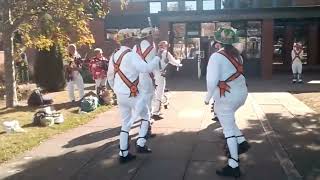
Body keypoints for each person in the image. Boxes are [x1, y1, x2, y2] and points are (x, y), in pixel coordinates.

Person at [107, 28, 161, 164]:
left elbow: (110, 77)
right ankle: (141, 144)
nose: (135, 41)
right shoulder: (131, 55)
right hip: (133, 95)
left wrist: (116, 89)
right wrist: (156, 58)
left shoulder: (114, 55)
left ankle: (123, 153)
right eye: (133, 39)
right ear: (129, 40)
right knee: (146, 116)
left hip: (120, 95)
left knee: (126, 123)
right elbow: (146, 69)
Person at [204, 27, 250, 178]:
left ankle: (233, 165)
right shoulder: (238, 56)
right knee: (227, 119)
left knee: (227, 129)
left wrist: (207, 97)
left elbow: (211, 82)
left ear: (219, 41)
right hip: (241, 95)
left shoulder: (216, 57)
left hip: (226, 97)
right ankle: (242, 141)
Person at [132, 27, 159, 137]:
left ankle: (142, 125)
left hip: (137, 78)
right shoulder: (152, 48)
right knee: (148, 103)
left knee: (140, 101)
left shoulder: (135, 47)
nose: (154, 36)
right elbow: (154, 66)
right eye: (153, 35)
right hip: (147, 77)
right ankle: (146, 129)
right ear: (149, 36)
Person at [151, 40, 182, 119]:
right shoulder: (166, 53)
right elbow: (174, 62)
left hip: (152, 74)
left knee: (154, 92)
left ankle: (161, 104)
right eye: (165, 45)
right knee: (159, 92)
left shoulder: (153, 53)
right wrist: (179, 62)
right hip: (160, 74)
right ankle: (155, 112)